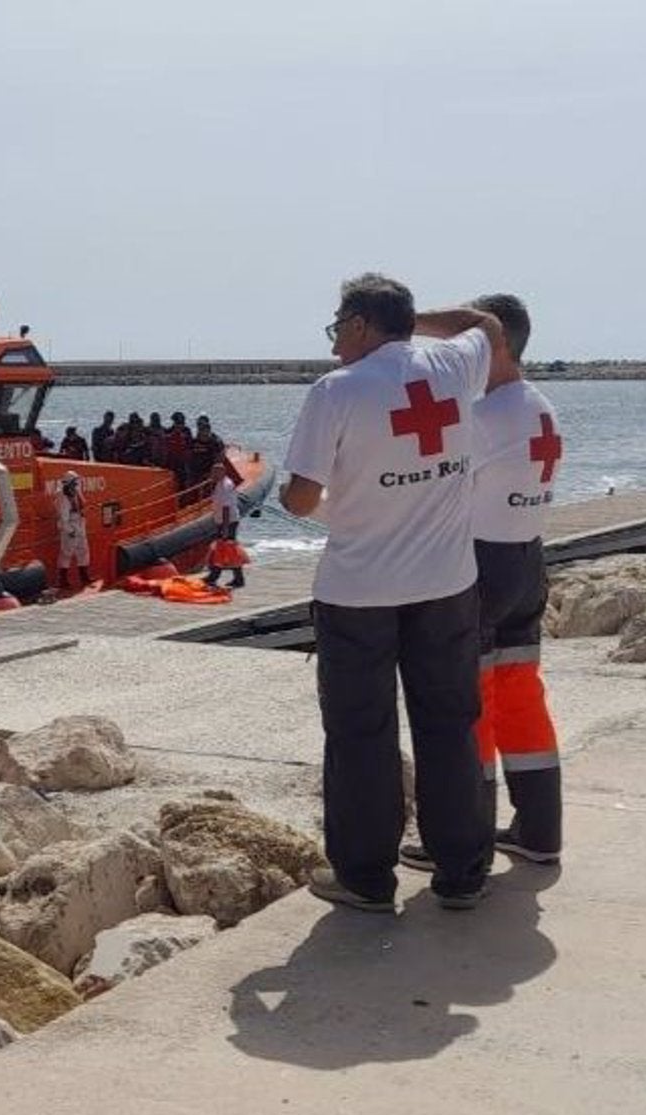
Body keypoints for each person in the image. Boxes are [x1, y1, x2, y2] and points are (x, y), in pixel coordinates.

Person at [280, 272, 504, 912]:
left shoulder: (338, 390)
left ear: (357, 325)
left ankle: (365, 878)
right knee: (449, 725)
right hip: (448, 586)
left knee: (361, 734)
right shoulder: (456, 365)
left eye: (336, 331)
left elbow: (299, 498)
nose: (332, 348)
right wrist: (411, 321)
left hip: (360, 592)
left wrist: (341, 504)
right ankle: (463, 872)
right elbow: (487, 323)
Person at [402, 293, 562, 870]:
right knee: (522, 700)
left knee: (465, 705)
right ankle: (540, 831)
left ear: (492, 344)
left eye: (463, 344)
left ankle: (461, 842)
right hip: (527, 562)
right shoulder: (539, 405)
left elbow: (431, 485)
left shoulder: (487, 417)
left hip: (481, 568)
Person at [202, 460, 247, 588]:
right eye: (212, 472)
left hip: (228, 522)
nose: (213, 474)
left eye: (215, 472)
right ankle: (236, 578)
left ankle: (215, 576)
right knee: (226, 549)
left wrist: (225, 528)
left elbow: (226, 508)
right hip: (223, 521)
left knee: (225, 549)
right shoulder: (219, 484)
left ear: (222, 472)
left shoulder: (225, 486)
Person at [54, 470, 92, 591]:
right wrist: (69, 530)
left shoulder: (75, 492)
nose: (77, 484)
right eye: (75, 482)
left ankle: (84, 576)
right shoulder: (63, 496)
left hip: (80, 524)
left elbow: (81, 505)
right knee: (66, 552)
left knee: (83, 550)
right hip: (70, 526)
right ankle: (63, 580)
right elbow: (63, 517)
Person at [187, 415, 225, 487]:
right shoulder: (193, 441)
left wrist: (212, 472)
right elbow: (189, 456)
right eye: (199, 427)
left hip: (209, 471)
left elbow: (220, 457)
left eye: (205, 431)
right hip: (195, 471)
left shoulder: (215, 442)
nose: (203, 433)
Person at [165, 414, 194, 488]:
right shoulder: (168, 431)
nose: (180, 425)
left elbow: (190, 445)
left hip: (183, 461)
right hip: (172, 460)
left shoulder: (187, 431)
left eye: (182, 423)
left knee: (185, 478)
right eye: (178, 423)